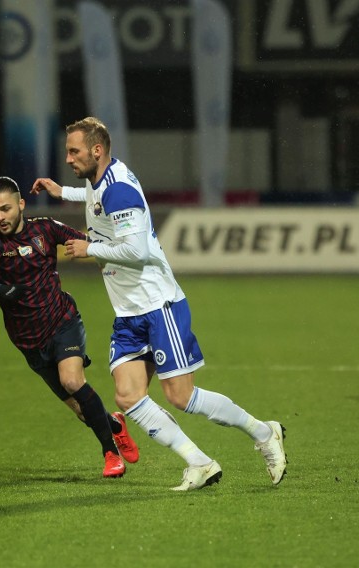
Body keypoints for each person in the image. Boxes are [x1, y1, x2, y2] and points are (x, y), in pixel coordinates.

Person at [32, 117, 286, 491]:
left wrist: (90, 249)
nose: (68, 158)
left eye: (74, 151)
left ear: (97, 150)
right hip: (129, 310)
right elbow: (94, 200)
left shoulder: (119, 190)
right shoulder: (101, 182)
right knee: (129, 395)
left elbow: (137, 250)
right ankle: (199, 463)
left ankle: (264, 433)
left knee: (180, 396)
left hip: (158, 304)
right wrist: (63, 192)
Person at [0, 176, 139, 478]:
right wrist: (0, 290)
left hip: (63, 321)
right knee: (80, 410)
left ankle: (110, 454)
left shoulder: (44, 228)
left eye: (5, 209)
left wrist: (105, 251)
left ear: (21, 205)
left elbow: (86, 244)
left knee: (72, 381)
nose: (0, 217)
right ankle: (114, 424)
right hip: (28, 342)